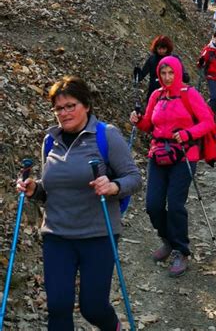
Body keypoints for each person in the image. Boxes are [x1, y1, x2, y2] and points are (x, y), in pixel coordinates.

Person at [17, 76, 141, 331]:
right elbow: (51, 189)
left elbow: (134, 177)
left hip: (98, 234)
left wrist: (113, 186)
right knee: (58, 308)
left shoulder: (106, 136)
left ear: (86, 105)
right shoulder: (50, 141)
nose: (64, 113)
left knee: (93, 307)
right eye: (59, 108)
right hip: (57, 235)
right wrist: (34, 189)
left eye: (70, 105)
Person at [130, 56, 215, 277]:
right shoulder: (156, 95)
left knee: (176, 204)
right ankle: (168, 240)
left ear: (177, 73)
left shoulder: (189, 94)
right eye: (163, 73)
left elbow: (208, 122)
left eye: (171, 73)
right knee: (153, 205)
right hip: (158, 154)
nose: (167, 77)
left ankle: (180, 250)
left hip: (186, 154)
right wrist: (138, 121)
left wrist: (188, 134)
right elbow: (149, 124)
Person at [134, 35, 190, 100]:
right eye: (159, 48)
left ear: (168, 48)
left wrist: (185, 76)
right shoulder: (152, 59)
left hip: (171, 92)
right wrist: (137, 74)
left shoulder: (174, 59)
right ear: (156, 48)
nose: (161, 51)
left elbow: (183, 74)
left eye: (163, 49)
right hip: (154, 92)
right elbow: (142, 75)